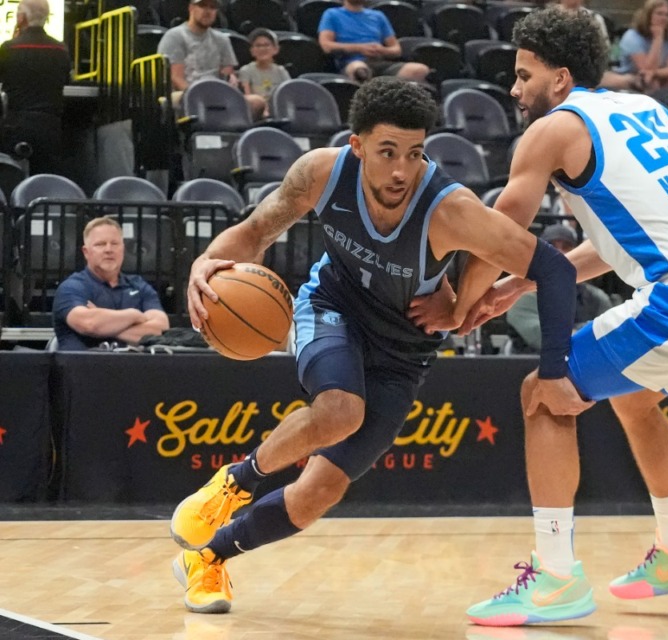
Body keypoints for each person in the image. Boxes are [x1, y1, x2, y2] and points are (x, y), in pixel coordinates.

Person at [167, 77, 585, 614]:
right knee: (340, 411)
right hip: (332, 307)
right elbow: (253, 234)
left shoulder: (450, 211)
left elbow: (552, 269)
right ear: (357, 145)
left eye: (414, 154)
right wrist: (206, 262)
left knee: (319, 492)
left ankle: (209, 558)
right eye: (387, 152)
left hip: (405, 350)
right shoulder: (322, 172)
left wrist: (520, 348)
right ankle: (233, 483)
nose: (401, 171)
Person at [412, 8, 668, 626]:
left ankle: (553, 579)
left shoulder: (554, 129)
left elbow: (503, 225)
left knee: (543, 395)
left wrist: (460, 305)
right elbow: (620, 240)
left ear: (560, 77)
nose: (515, 87)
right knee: (635, 399)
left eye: (524, 74)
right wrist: (516, 287)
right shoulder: (646, 110)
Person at [52, 218, 170, 351]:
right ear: (86, 252)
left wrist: (103, 326)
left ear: (123, 248)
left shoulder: (139, 286)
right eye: (100, 244)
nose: (109, 249)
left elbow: (160, 328)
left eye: (114, 243)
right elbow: (89, 324)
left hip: (133, 369)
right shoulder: (72, 287)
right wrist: (134, 315)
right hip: (83, 368)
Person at [506, 224, 613, 353]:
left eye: (567, 247)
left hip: (586, 369)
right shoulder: (522, 298)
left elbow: (612, 334)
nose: (560, 253)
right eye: (551, 246)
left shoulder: (596, 297)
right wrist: (590, 331)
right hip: (529, 368)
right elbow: (549, 339)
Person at [0, 0, 71, 176]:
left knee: (12, 175)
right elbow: (65, 79)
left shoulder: (9, 48)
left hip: (17, 124)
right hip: (50, 126)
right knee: (46, 178)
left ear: (22, 17)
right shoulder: (60, 49)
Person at [157, 0, 261, 115]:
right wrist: (199, 96)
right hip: (185, 94)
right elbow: (176, 78)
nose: (207, 11)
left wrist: (231, 81)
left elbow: (227, 74)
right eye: (202, 6)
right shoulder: (175, 36)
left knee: (257, 102)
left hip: (216, 93)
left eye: (212, 7)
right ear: (191, 8)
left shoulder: (222, 39)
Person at [318, 0, 429, 84]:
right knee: (360, 71)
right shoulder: (331, 14)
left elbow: (396, 49)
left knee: (419, 70)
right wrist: (359, 48)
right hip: (351, 62)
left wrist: (381, 50)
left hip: (380, 61)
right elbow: (326, 46)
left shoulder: (378, 16)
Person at [600, 0, 668, 92]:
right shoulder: (632, 36)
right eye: (659, 14)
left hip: (656, 75)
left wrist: (654, 73)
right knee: (650, 83)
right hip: (630, 75)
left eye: (667, 15)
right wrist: (657, 39)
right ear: (648, 16)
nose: (664, 18)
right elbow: (645, 70)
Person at [237, 28, 291, 119]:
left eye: (266, 45)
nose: (262, 49)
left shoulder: (281, 71)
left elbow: (288, 94)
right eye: (258, 46)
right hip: (257, 112)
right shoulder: (246, 70)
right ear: (252, 51)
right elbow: (247, 95)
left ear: (275, 49)